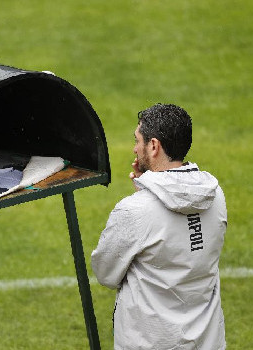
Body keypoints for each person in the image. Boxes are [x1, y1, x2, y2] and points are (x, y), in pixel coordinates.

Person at [91, 103, 227, 349]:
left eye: (138, 141)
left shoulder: (135, 210)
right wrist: (149, 190)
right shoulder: (216, 196)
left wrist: (144, 198)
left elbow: (105, 273)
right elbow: (182, 241)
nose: (134, 148)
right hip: (207, 341)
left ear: (153, 146)